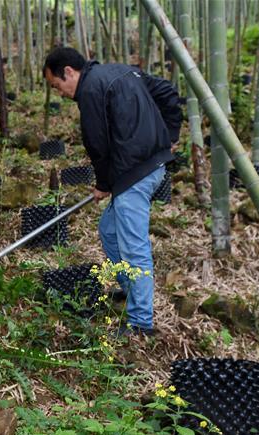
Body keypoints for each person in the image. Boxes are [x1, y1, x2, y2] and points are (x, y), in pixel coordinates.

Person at [42, 46, 182, 336]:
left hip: (135, 173)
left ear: (69, 72)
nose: (60, 93)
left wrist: (104, 185)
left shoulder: (91, 91)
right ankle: (131, 288)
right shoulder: (120, 70)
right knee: (108, 228)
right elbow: (167, 91)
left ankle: (141, 323)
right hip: (149, 167)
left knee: (134, 249)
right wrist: (169, 136)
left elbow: (98, 147)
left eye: (57, 86)